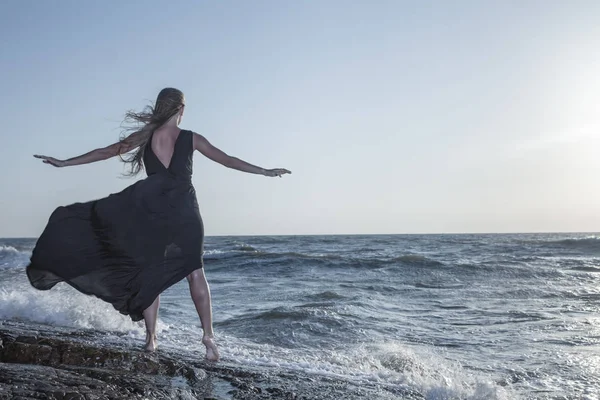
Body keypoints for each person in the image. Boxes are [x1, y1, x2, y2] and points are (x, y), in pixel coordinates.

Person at [27, 88, 291, 361]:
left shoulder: (145, 136)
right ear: (181, 110)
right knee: (196, 272)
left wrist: (65, 162)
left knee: (151, 274)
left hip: (152, 212)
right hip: (186, 212)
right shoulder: (191, 138)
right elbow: (228, 160)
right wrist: (264, 171)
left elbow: (106, 152)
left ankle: (151, 339)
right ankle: (209, 337)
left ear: (160, 107)